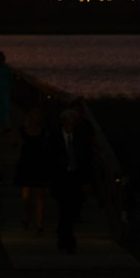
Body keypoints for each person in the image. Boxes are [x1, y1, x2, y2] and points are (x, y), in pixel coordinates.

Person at [50, 105, 95, 253]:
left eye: (73, 122)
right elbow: (49, 160)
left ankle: (63, 233)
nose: (71, 125)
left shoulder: (80, 138)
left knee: (73, 208)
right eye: (68, 122)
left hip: (76, 177)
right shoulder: (55, 138)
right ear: (63, 122)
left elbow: (87, 160)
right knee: (64, 208)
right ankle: (68, 240)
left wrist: (87, 180)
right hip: (61, 178)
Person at [13, 105, 54, 233]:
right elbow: (15, 144)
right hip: (26, 164)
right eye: (33, 115)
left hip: (40, 165)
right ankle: (26, 218)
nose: (35, 118)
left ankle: (39, 224)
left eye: (37, 116)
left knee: (40, 196)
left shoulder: (44, 131)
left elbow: (48, 148)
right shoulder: (22, 130)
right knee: (26, 197)